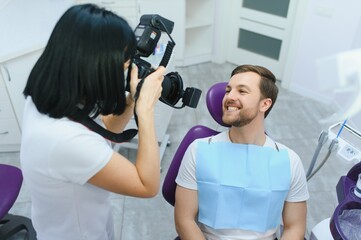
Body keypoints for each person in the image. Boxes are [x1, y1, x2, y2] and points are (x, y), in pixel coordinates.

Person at [20, 4, 165, 240]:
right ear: (96, 67)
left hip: (66, 220)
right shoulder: (66, 140)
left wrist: (131, 99)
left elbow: (104, 129)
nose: (124, 73)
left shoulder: (47, 97)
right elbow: (146, 185)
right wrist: (145, 109)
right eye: (124, 66)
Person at [174, 65, 309, 240]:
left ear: (265, 104)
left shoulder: (289, 161)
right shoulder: (199, 149)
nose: (230, 97)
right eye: (228, 90)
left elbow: (295, 228)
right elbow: (184, 220)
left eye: (242, 91)